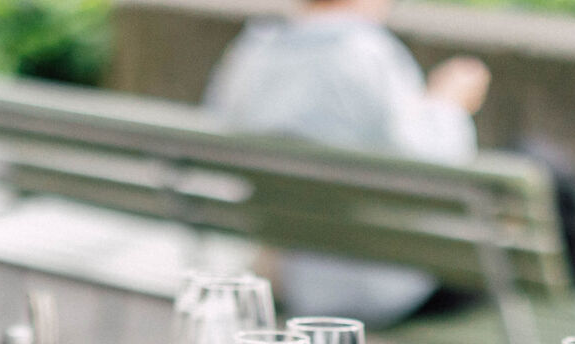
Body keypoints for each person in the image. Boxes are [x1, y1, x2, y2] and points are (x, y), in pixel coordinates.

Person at [202, 0, 494, 326]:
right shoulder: (366, 54)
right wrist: (447, 104)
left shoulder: (252, 52)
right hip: (380, 285)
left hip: (290, 275)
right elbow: (440, 171)